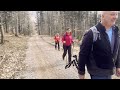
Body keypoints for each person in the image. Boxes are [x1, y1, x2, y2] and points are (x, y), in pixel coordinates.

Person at [78, 11, 120, 79]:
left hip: (109, 71)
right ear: (102, 16)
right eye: (112, 14)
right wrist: (81, 72)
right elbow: (83, 54)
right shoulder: (92, 33)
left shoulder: (116, 31)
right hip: (97, 73)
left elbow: (117, 49)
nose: (115, 17)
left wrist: (118, 66)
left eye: (116, 14)